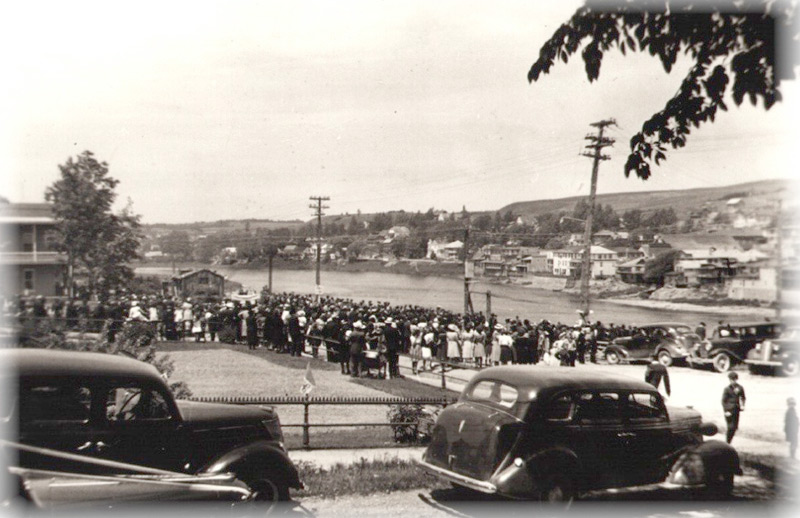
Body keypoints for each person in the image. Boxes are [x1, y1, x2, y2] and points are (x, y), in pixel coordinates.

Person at [721, 372, 746, 444]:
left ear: (736, 379)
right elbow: (723, 401)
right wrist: (726, 411)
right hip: (729, 410)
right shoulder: (727, 389)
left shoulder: (740, 388)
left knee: (735, 427)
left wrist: (743, 405)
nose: (733, 381)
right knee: (730, 427)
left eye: (734, 380)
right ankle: (727, 442)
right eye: (731, 380)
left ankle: (729, 441)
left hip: (736, 409)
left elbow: (743, 397)